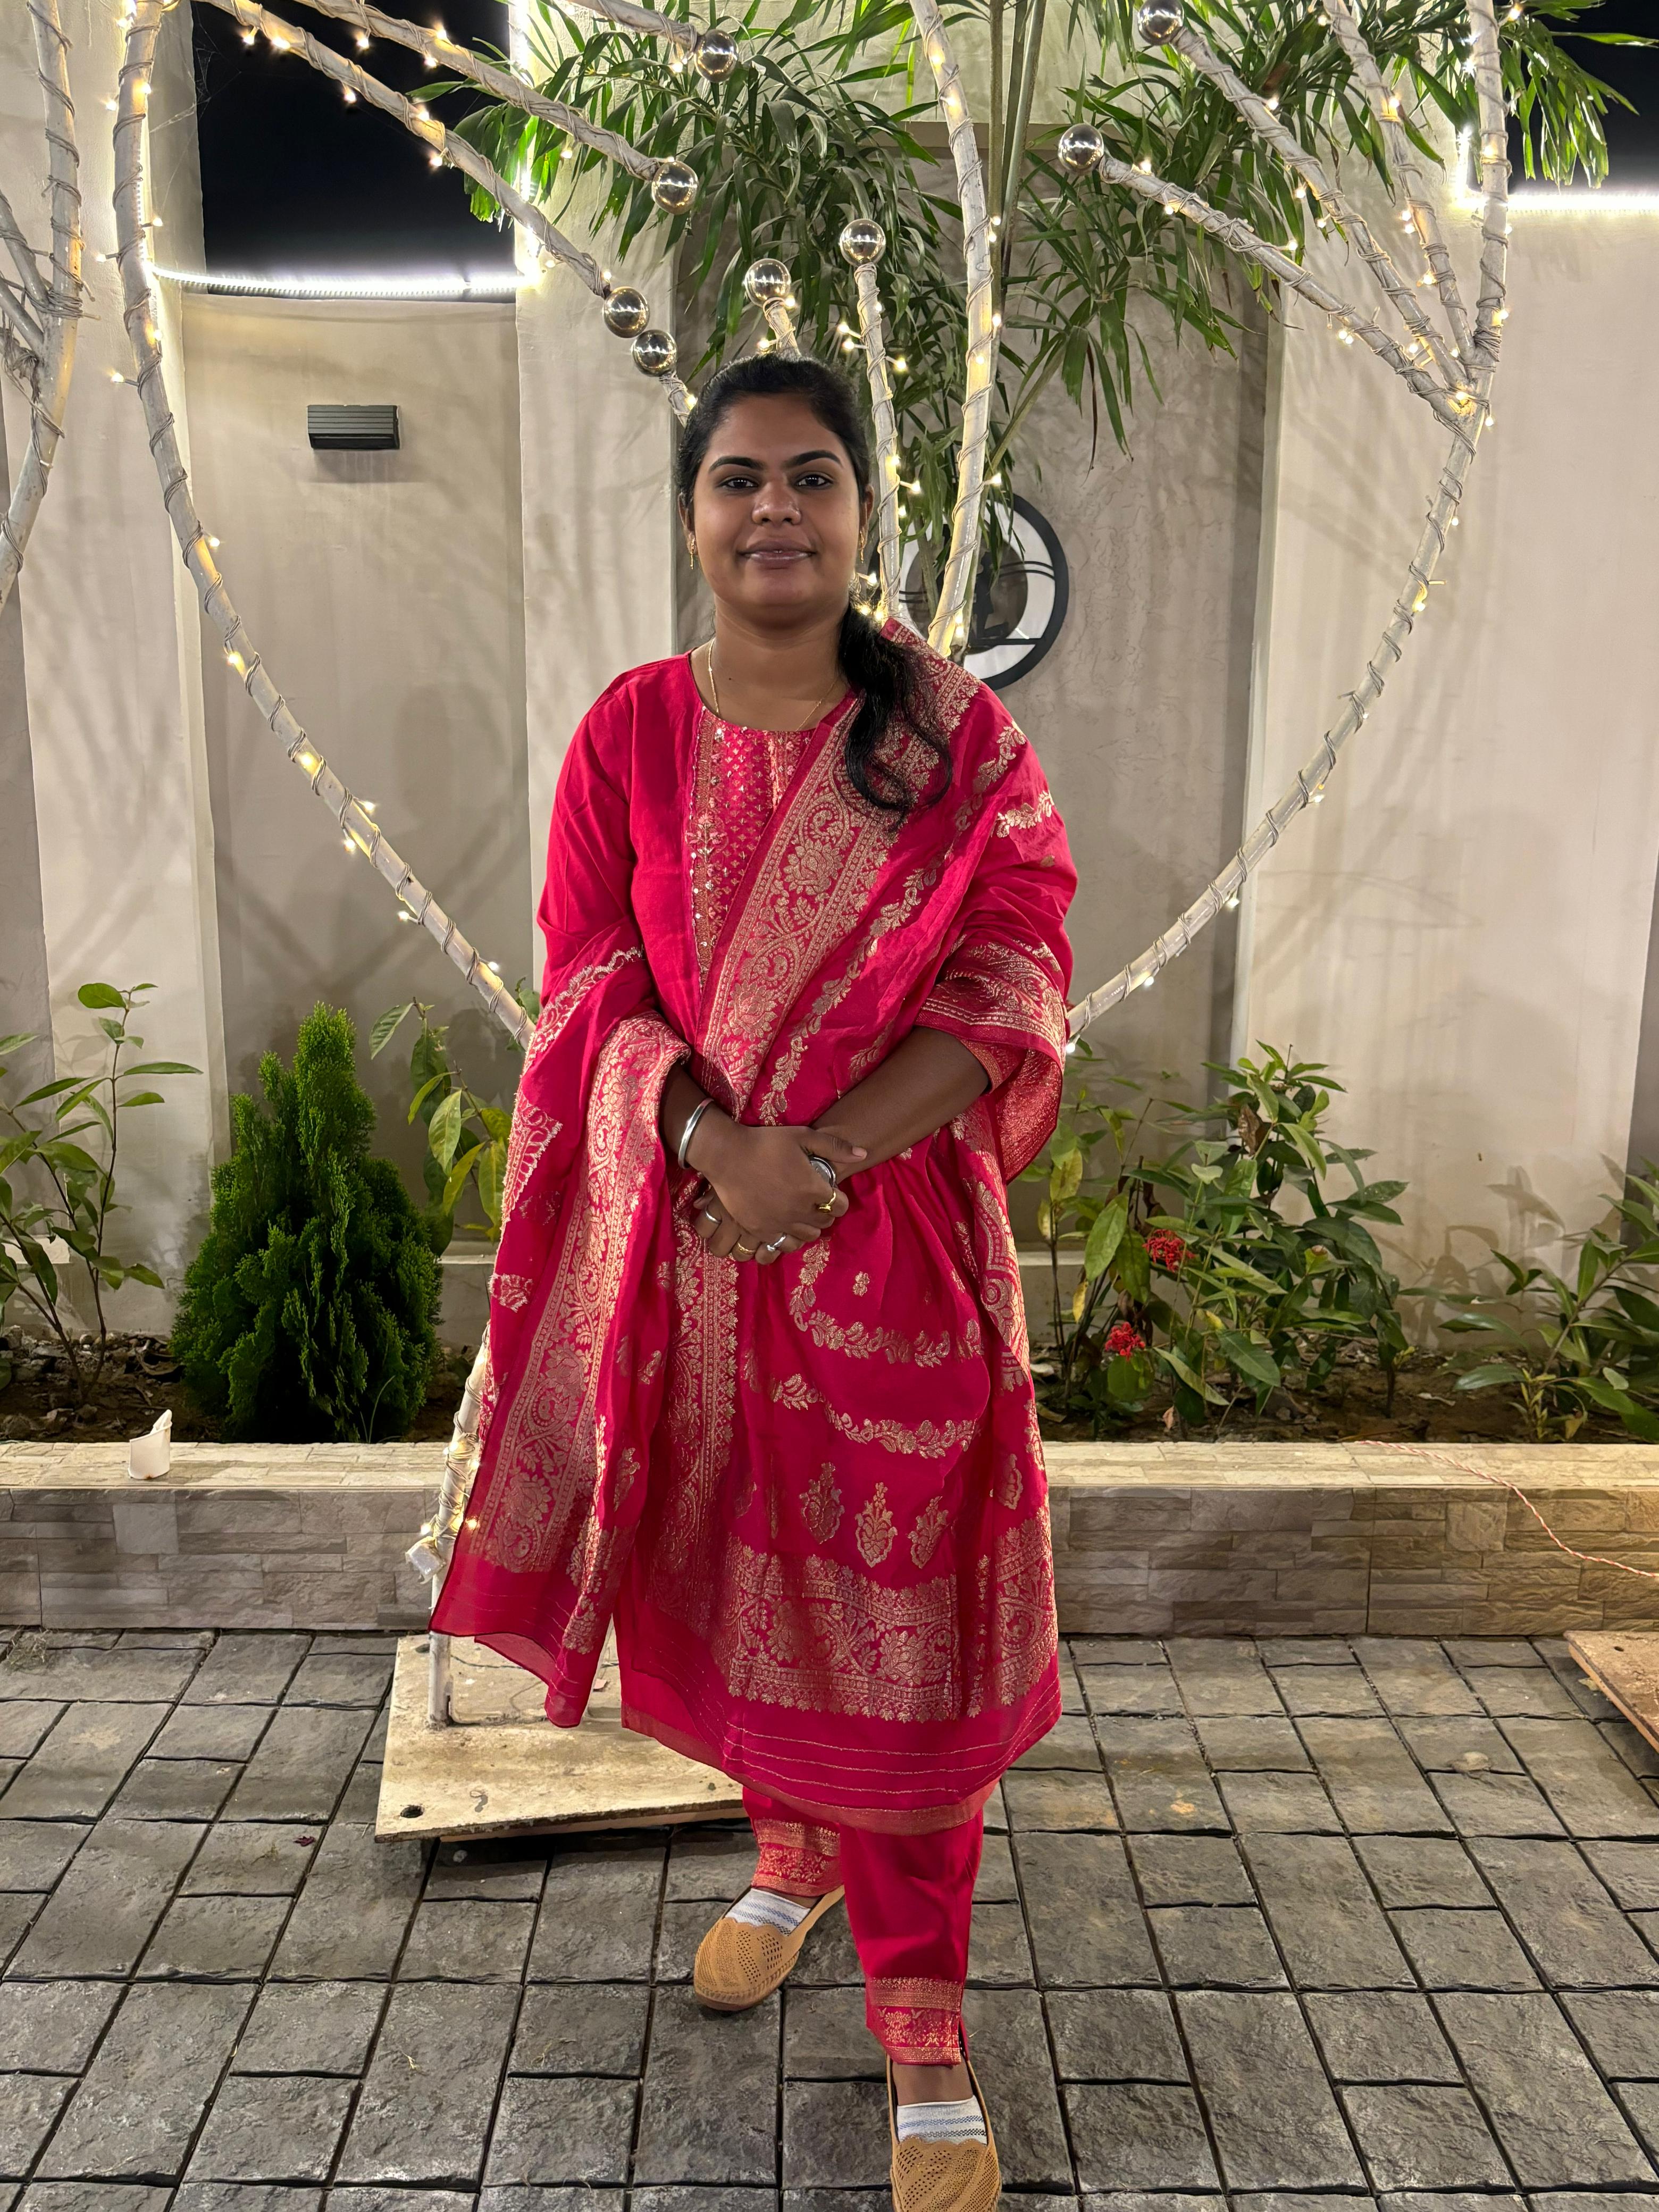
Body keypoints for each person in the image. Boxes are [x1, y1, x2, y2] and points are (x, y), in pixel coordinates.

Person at [431, 351, 1075, 2210]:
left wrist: (826, 1158)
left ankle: (925, 2029)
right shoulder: (629, 734)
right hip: (702, 1256)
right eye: (739, 480)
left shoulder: (953, 738)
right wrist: (723, 1149)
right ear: (692, 515)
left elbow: (1017, 973)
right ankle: (792, 1859)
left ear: (865, 513)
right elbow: (588, 985)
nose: (775, 510)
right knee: (749, 1590)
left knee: (902, 1644)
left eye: (811, 478)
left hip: (898, 1259)